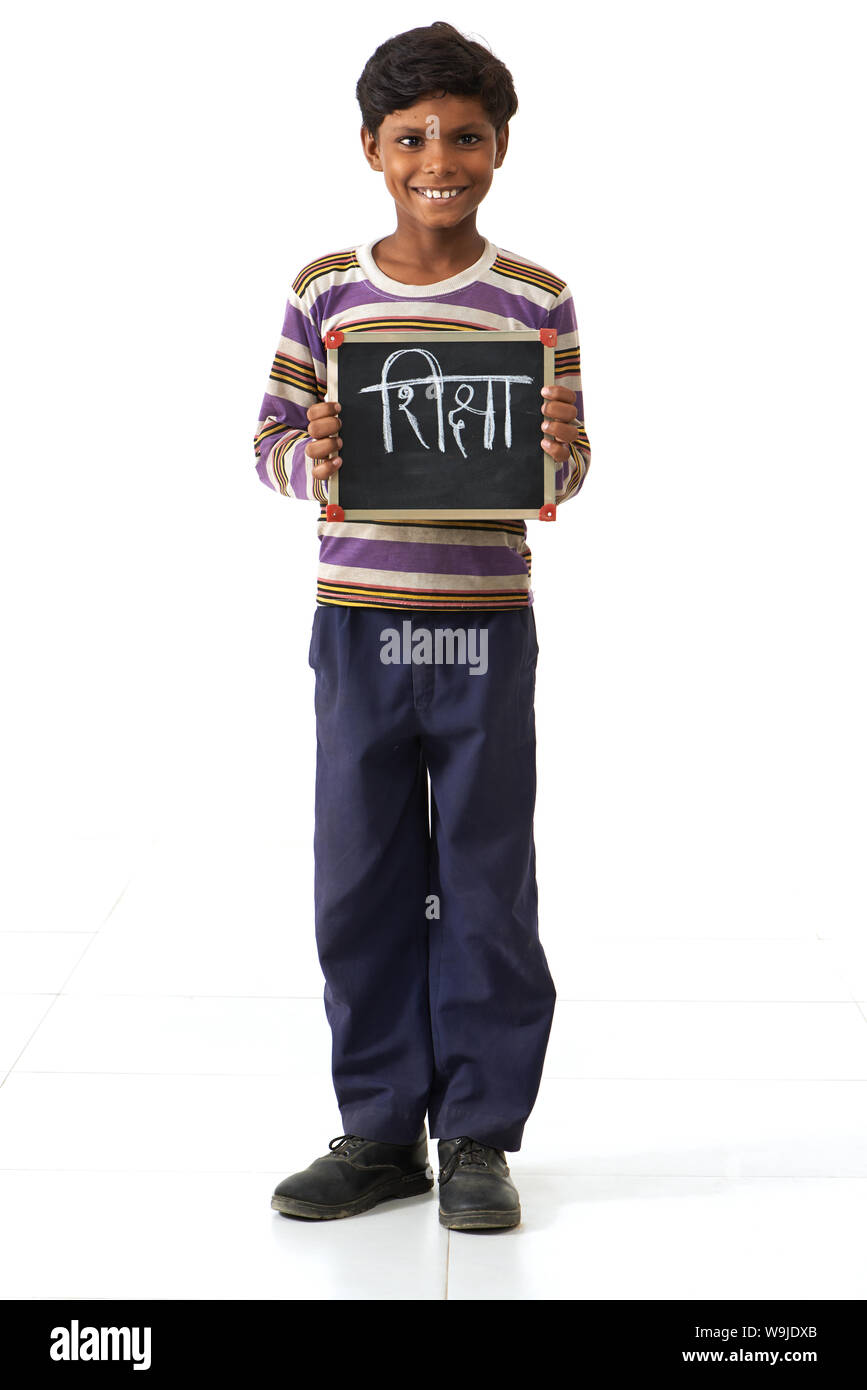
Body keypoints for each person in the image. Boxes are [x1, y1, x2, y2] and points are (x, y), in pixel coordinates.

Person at [253, 20, 591, 1231]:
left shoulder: (535, 298)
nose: (437, 156)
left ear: (499, 147)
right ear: (372, 148)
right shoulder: (325, 291)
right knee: (362, 872)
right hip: (358, 622)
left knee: (488, 881)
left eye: (464, 135)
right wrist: (315, 461)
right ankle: (383, 1128)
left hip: (484, 628)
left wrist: (559, 456)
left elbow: (570, 461)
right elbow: (270, 441)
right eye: (411, 137)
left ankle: (482, 1135)